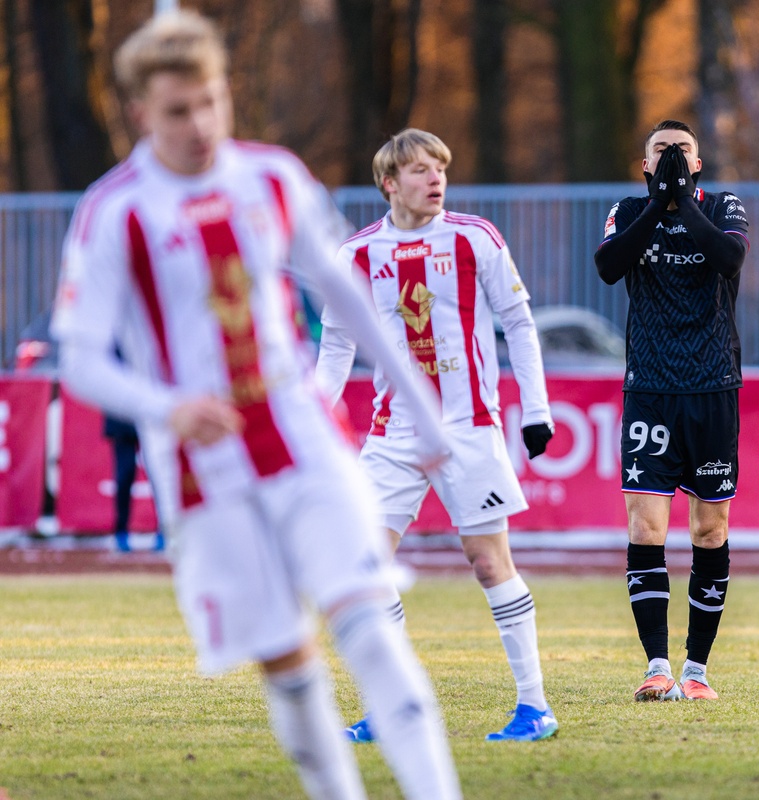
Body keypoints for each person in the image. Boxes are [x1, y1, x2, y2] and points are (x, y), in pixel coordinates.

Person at [51, 12, 460, 799]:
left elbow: (343, 291)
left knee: (370, 625)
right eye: (178, 110)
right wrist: (166, 404)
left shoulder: (270, 177)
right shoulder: (115, 211)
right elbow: (81, 359)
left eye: (211, 102)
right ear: (141, 113)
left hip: (304, 438)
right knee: (289, 662)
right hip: (206, 474)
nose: (200, 125)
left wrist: (423, 412)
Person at [315, 128, 558, 743]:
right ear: (389, 183)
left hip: (469, 425)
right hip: (392, 430)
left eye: (440, 168)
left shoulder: (476, 238)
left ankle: (535, 707)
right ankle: (393, 705)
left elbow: (518, 323)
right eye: (421, 170)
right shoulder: (357, 255)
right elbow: (338, 342)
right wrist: (316, 413)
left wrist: (536, 408)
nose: (435, 179)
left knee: (486, 560)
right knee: (362, 565)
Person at [594, 120, 749, 701]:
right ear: (644, 164)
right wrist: (658, 203)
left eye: (682, 150)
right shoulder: (629, 208)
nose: (672, 157)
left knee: (710, 530)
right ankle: (656, 666)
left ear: (699, 162)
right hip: (651, 389)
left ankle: (697, 671)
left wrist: (682, 201)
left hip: (713, 388)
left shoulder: (724, 205)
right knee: (645, 526)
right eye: (661, 150)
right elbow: (610, 266)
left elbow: (729, 258)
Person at [102, 411, 140, 553]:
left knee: (159, 478)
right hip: (122, 418)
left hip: (151, 419)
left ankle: (165, 530)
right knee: (125, 474)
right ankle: (121, 531)